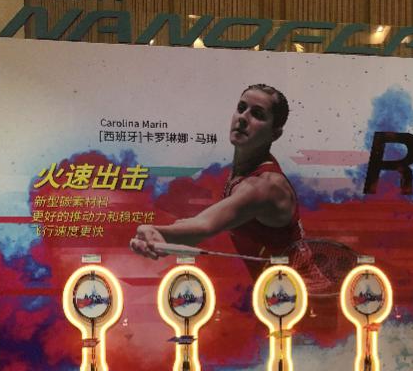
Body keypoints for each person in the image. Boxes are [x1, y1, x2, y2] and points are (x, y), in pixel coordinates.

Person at [129, 84, 307, 277]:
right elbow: (196, 227)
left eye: (257, 114)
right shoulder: (242, 171)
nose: (243, 118)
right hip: (274, 288)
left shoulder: (266, 187)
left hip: (301, 290)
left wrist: (155, 231)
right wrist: (162, 237)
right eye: (241, 108)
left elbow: (204, 225)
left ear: (275, 133)